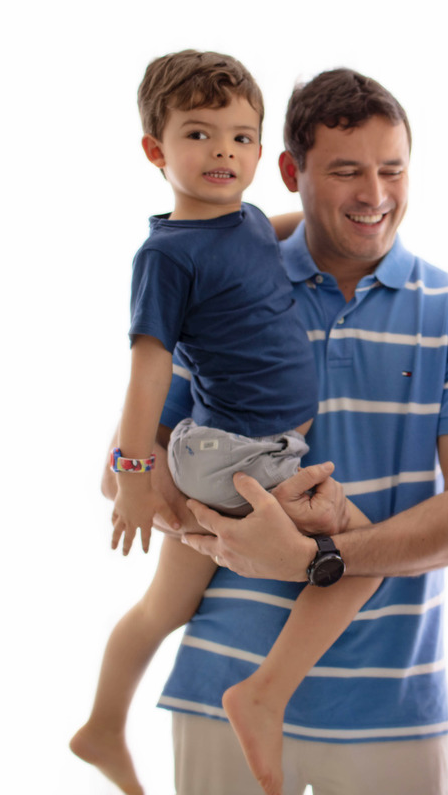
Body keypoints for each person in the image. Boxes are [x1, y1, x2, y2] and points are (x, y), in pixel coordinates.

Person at [146, 68, 448, 795]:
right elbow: (154, 466)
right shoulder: (227, 289)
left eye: (392, 170)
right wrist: (237, 536)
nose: (374, 195)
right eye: (346, 172)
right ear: (291, 171)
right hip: (222, 684)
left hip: (393, 706)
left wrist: (316, 558)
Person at [70, 50, 377, 795]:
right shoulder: (165, 256)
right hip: (237, 452)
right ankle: (262, 694)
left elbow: (257, 245)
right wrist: (134, 476)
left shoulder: (240, 222)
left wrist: (329, 217)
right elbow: (148, 370)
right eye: (200, 135)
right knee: (361, 559)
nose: (223, 153)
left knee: (163, 605)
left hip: (234, 444)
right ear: (156, 150)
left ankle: (101, 726)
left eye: (241, 137)